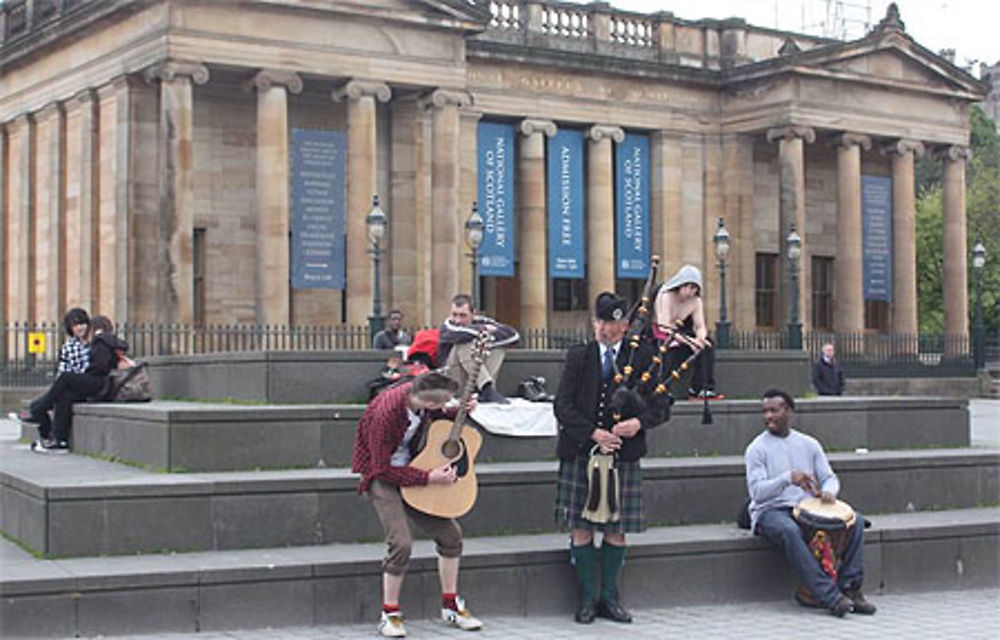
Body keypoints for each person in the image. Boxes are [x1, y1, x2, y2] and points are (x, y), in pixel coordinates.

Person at [554, 292, 669, 625]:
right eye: (600, 322)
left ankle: (609, 599)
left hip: (624, 457)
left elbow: (663, 406)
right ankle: (587, 599)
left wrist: (638, 423)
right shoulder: (580, 356)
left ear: (625, 325)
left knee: (616, 530)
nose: (604, 329)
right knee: (581, 528)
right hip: (582, 452)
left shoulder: (644, 357)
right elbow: (562, 406)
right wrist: (593, 433)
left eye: (612, 323)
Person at [351, 371, 483, 638]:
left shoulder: (420, 396)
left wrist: (458, 411)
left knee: (450, 535)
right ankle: (389, 613)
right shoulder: (386, 413)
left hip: (414, 468)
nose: (446, 405)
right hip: (383, 476)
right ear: (429, 402)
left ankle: (450, 605)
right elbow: (381, 470)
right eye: (444, 403)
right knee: (401, 543)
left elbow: (435, 418)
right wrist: (429, 478)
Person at [745, 388, 876, 617]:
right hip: (771, 511)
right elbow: (757, 493)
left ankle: (851, 588)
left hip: (806, 507)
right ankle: (830, 597)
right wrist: (787, 478)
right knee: (789, 530)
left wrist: (828, 492)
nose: (768, 416)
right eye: (764, 411)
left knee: (856, 521)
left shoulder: (809, 444)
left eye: (774, 410)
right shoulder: (756, 449)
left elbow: (829, 478)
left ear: (789, 412)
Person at [26, 315, 128, 454]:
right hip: (104, 384)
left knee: (66, 378)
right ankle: (60, 440)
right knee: (65, 396)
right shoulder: (110, 341)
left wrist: (87, 371)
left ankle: (38, 408)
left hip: (101, 383)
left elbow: (99, 367)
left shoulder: (101, 341)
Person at [9, 307, 91, 434]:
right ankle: (51, 437)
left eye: (82, 323)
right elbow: (64, 371)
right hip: (72, 386)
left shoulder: (91, 345)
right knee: (59, 397)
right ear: (70, 328)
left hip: (84, 384)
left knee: (45, 402)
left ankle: (35, 412)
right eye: (75, 325)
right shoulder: (69, 347)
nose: (80, 328)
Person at [652, 264, 719, 399]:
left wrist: (700, 340)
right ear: (680, 284)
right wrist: (690, 342)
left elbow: (700, 325)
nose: (691, 292)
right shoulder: (666, 295)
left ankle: (701, 387)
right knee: (666, 347)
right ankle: (663, 387)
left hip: (682, 334)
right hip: (662, 334)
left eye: (694, 288)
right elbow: (664, 326)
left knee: (707, 345)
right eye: (688, 286)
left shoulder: (696, 301)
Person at [438, 294, 518, 404]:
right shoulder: (447, 326)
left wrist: (483, 333)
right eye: (454, 315)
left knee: (498, 346)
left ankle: (484, 389)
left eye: (463, 315)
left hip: (473, 377)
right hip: (453, 379)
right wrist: (484, 330)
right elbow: (458, 333)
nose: (457, 320)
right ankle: (486, 388)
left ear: (473, 314)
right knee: (463, 343)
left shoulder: (483, 321)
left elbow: (513, 336)